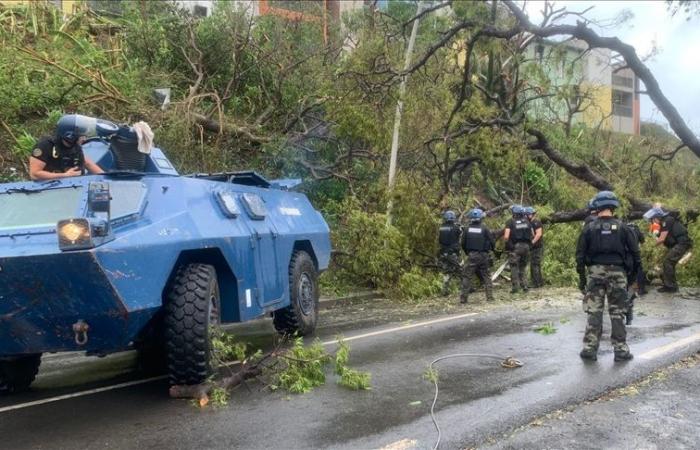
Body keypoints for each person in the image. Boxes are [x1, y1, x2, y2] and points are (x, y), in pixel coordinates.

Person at [576, 191, 640, 362]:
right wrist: (631, 277)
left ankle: (590, 349)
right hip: (618, 274)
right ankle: (620, 350)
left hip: (595, 273)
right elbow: (635, 254)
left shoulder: (589, 228)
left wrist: (582, 278)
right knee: (618, 312)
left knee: (594, 311)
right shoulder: (624, 228)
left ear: (597, 206)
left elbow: (580, 255)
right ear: (613, 207)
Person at [643, 207, 692, 293]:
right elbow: (662, 239)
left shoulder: (667, 220)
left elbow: (662, 239)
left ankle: (670, 287)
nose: (652, 222)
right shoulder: (662, 224)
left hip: (682, 243)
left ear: (656, 217)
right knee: (667, 263)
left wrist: (650, 246)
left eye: (652, 220)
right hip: (676, 244)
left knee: (668, 262)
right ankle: (671, 285)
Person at [29, 129, 103, 180]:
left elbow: (87, 162)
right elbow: (35, 174)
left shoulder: (75, 146)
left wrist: (105, 178)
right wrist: (65, 175)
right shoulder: (45, 146)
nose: (84, 139)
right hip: (48, 188)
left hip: (75, 186)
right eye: (82, 136)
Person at [460, 208, 495, 303]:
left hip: (472, 255)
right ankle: (490, 297)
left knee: (467, 276)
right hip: (484, 255)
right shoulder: (485, 228)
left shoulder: (467, 229)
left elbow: (463, 243)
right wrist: (490, 250)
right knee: (486, 276)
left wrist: (468, 252)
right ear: (481, 218)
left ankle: (463, 299)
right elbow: (492, 241)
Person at [503, 205, 533, 294]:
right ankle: (525, 286)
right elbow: (532, 234)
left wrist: (509, 246)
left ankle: (515, 288)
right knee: (522, 268)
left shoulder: (510, 222)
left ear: (514, 213)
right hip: (526, 247)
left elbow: (506, 236)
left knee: (514, 267)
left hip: (516, 247)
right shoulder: (527, 221)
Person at [437, 210, 462, 295]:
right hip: (453, 253)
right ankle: (468, 288)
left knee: (446, 271)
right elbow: (460, 234)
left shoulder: (441, 227)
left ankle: (444, 290)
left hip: (444, 253)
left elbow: (440, 240)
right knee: (461, 269)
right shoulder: (456, 228)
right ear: (453, 218)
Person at [525, 206, 544, 288]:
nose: (525, 216)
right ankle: (539, 282)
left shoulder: (536, 222)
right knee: (535, 264)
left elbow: (539, 234)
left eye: (527, 215)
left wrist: (532, 243)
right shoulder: (529, 223)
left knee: (535, 265)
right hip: (533, 247)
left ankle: (536, 283)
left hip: (536, 246)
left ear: (531, 214)